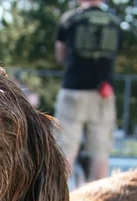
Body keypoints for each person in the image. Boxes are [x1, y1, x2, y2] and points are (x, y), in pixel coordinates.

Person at [54, 0, 122, 182]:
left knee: (65, 150)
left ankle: (57, 199)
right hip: (103, 93)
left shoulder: (70, 19)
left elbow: (60, 55)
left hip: (73, 90)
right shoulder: (114, 21)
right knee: (100, 153)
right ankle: (96, 199)